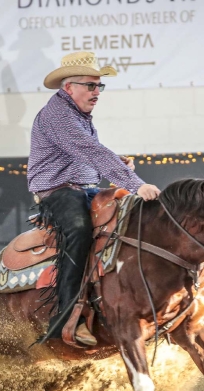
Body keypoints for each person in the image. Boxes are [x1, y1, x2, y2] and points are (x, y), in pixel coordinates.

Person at [28, 51, 161, 347]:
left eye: (99, 86)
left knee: (127, 220)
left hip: (85, 187)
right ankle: (64, 320)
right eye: (89, 85)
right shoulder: (58, 114)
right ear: (68, 87)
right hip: (58, 191)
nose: (96, 92)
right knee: (78, 230)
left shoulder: (77, 115)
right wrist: (136, 184)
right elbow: (90, 151)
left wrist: (116, 161)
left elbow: (89, 153)